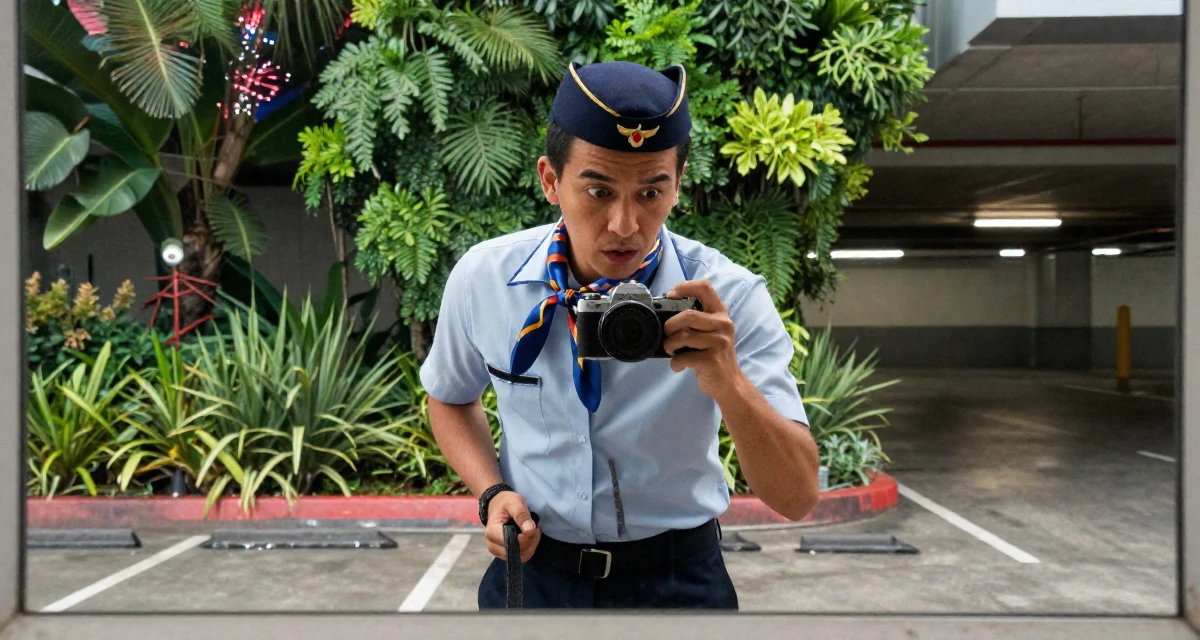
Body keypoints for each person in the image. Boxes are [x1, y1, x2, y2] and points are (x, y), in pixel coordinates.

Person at [419, 59, 821, 610]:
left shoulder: (727, 298)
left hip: (678, 582)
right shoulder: (486, 280)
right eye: (599, 191)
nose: (625, 225)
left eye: (652, 193)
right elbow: (448, 396)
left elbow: (797, 497)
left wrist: (728, 383)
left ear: (678, 186)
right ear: (550, 180)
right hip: (534, 577)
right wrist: (492, 493)